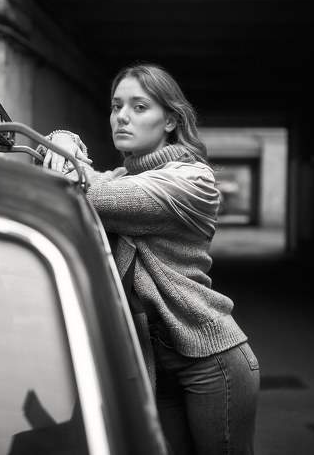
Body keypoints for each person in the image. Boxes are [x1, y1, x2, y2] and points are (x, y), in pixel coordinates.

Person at [38, 63, 260, 455]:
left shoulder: (192, 181)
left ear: (171, 120)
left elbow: (86, 194)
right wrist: (62, 138)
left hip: (211, 361)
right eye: (116, 106)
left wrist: (64, 148)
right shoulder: (125, 177)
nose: (122, 117)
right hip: (157, 361)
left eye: (139, 107)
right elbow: (84, 180)